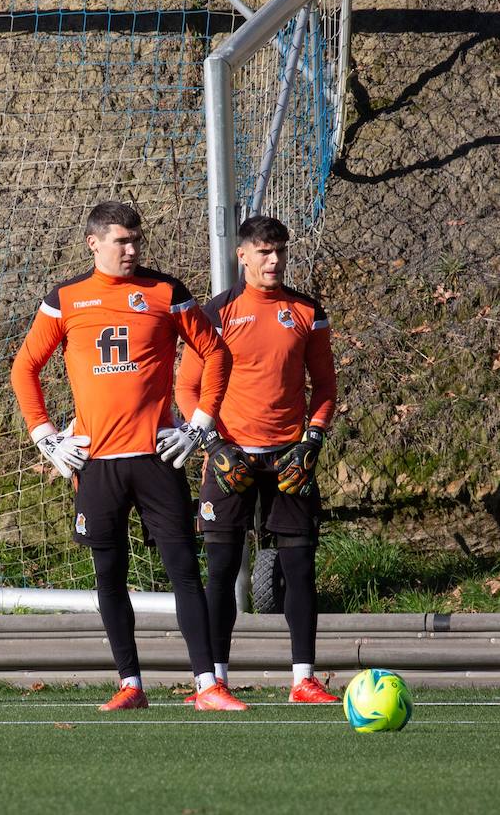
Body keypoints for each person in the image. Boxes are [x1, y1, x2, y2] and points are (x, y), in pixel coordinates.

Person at [11, 201, 244, 711]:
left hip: (157, 457)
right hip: (96, 464)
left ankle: (208, 686)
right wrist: (46, 437)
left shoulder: (165, 291)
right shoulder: (65, 299)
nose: (133, 250)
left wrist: (201, 425)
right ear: (93, 243)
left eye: (137, 240)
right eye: (122, 241)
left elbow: (216, 353)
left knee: (183, 570)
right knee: (108, 574)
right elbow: (24, 368)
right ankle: (130, 684)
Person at [176, 214, 338, 704]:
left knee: (301, 567)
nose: (274, 260)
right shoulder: (215, 312)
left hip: (289, 457)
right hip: (229, 459)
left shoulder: (307, 311)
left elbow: (326, 387)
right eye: (264, 252)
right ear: (241, 255)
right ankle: (214, 680)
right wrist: (213, 444)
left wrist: (312, 439)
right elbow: (186, 388)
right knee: (222, 569)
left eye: (281, 251)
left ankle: (303, 680)